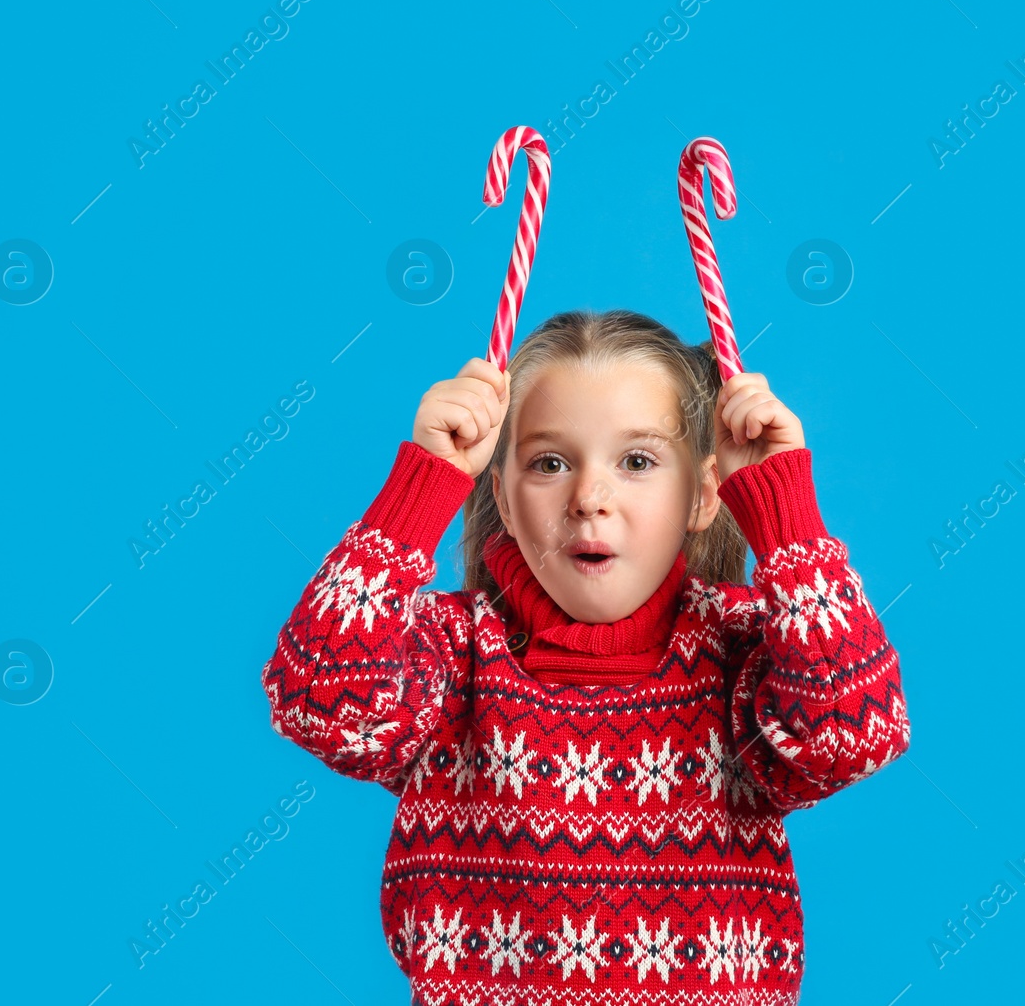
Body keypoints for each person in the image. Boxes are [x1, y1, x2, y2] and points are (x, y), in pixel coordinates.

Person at [260, 308, 910, 1002]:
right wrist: (424, 484)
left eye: (637, 460)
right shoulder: (452, 659)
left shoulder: (738, 654)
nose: (589, 499)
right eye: (549, 462)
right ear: (503, 501)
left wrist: (788, 521)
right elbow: (319, 700)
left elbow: (852, 732)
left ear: (704, 492)